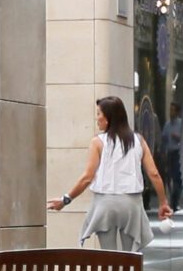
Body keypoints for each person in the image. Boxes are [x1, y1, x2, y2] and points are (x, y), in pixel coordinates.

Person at [51, 95, 174, 250]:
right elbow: (154, 174)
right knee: (130, 257)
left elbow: (87, 177)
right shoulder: (139, 141)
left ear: (108, 118)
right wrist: (163, 202)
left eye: (98, 114)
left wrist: (66, 199)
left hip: (105, 203)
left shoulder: (98, 142)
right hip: (131, 204)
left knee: (109, 258)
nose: (97, 119)